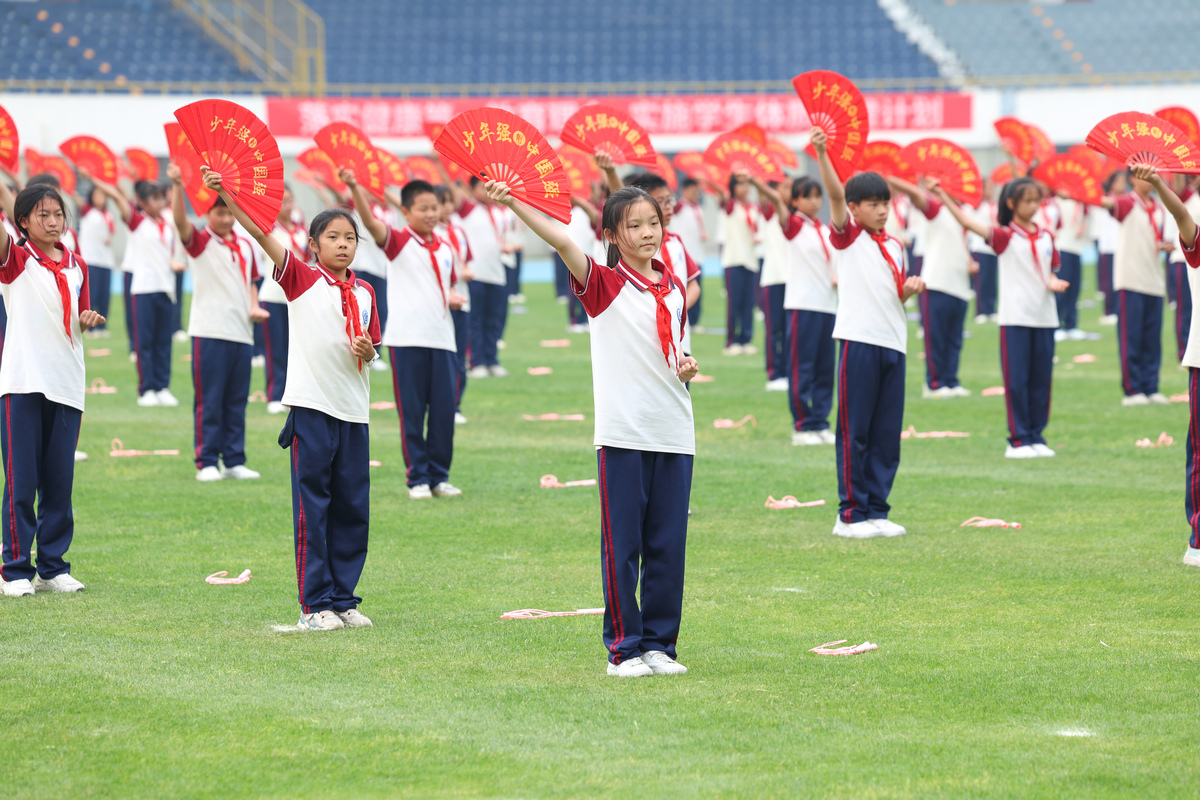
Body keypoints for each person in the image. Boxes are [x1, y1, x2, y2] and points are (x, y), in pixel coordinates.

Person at [489, 175, 698, 678]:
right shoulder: (603, 285)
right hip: (624, 433)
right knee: (623, 545)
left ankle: (660, 645)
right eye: (634, 226)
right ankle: (624, 649)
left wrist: (687, 364)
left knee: (668, 545)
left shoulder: (672, 288)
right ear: (611, 235)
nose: (648, 232)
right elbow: (561, 240)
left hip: (674, 429)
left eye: (654, 222)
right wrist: (514, 200)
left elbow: (676, 351)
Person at [205, 167, 380, 631]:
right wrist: (227, 192)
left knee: (353, 507)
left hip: (353, 412)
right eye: (333, 237)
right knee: (314, 506)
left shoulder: (365, 292)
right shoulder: (301, 279)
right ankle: (314, 604)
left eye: (351, 238)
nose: (343, 244)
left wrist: (369, 349)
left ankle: (343, 598)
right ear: (313, 245)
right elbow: (263, 232)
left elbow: (371, 344)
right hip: (312, 408)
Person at [812, 127, 925, 538]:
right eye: (872, 205)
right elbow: (836, 196)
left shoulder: (895, 245)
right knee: (854, 431)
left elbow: (894, 294)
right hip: (859, 340)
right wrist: (823, 153)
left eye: (885, 204)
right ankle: (850, 514)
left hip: (894, 342)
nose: (881, 211)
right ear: (855, 209)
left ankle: (877, 509)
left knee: (885, 434)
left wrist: (909, 291)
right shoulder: (848, 237)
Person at [0, 182, 105, 596]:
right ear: (22, 223)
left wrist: (87, 318)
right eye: (42, 215)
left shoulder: (78, 264)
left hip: (66, 382)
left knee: (59, 482)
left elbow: (77, 314)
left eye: (58, 214)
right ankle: (14, 569)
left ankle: (53, 566)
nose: (53, 221)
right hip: (24, 382)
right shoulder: (17, 260)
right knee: (21, 482)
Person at [347, 171, 465, 500]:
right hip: (407, 340)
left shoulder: (446, 247)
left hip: (443, 339)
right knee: (412, 412)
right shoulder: (399, 242)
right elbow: (370, 224)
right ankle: (418, 479)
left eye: (434, 208)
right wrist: (356, 186)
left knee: (444, 412)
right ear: (406, 211)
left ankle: (439, 476)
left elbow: (449, 283)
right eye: (422, 208)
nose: (430, 214)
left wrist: (453, 296)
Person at [936, 177, 1068, 458]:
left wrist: (1054, 281)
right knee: (1017, 380)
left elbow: (1051, 269)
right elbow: (966, 222)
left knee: (1041, 380)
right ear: (1012, 204)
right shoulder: (1005, 236)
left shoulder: (1046, 236)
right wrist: (942, 192)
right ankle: (1018, 439)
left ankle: (1036, 436)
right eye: (1027, 201)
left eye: (1036, 200)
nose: (1033, 206)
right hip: (1016, 318)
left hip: (1045, 317)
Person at [169, 164, 269, 482]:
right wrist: (177, 186)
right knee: (210, 399)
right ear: (208, 214)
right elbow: (180, 222)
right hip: (209, 330)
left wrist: (254, 305)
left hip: (242, 332)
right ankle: (207, 460)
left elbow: (253, 280)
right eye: (219, 213)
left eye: (230, 213)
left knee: (236, 400)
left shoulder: (247, 244)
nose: (225, 219)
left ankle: (234, 459)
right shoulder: (200, 242)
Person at [758, 175, 837, 446]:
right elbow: (777, 201)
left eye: (817, 196)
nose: (814, 202)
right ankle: (802, 425)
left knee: (825, 369)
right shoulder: (793, 225)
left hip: (827, 305)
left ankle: (821, 421)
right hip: (803, 305)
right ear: (795, 200)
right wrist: (758, 183)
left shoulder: (824, 228)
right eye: (807, 196)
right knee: (802, 367)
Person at [93, 177, 180, 406]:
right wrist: (93, 179)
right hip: (144, 288)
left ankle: (163, 387)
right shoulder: (138, 223)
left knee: (164, 341)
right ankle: (147, 388)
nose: (160, 202)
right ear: (142, 201)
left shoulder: (168, 225)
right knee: (146, 342)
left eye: (162, 198)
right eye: (154, 199)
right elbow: (117, 196)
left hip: (166, 288)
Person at [888, 175, 974, 398]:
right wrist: (891, 178)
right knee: (936, 336)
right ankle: (934, 383)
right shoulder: (938, 210)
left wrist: (969, 262)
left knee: (954, 338)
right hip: (936, 282)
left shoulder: (964, 214)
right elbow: (917, 195)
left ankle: (951, 380)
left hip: (960, 285)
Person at [1101, 170, 1174, 405]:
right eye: (1144, 175)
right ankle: (1132, 389)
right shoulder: (1127, 203)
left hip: (1154, 279)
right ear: (1132, 179)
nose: (1150, 180)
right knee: (1131, 336)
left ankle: (1151, 386)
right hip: (1130, 279)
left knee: (1153, 338)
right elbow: (1108, 204)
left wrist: (1166, 246)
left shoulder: (1159, 207)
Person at [456, 177, 509, 378]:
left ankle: (492, 359)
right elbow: (456, 193)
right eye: (482, 188)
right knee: (476, 320)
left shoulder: (498, 210)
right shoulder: (468, 209)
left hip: (497, 274)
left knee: (495, 320)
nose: (488, 192)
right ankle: (477, 362)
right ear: (471, 190)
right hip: (476, 274)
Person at [261, 185, 306, 415]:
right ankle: (274, 393)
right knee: (275, 349)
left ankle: (293, 395)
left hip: (297, 298)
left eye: (290, 200)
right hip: (273, 295)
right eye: (282, 201)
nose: (287, 206)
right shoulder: (268, 229)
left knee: (296, 349)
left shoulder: (302, 230)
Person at [435, 185, 474, 424]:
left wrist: (467, 270)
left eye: (449, 201)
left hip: (462, 301)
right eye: (442, 202)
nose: (447, 206)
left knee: (460, 356)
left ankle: (455, 405)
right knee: (442, 357)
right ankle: (440, 405)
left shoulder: (458, 231)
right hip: (439, 304)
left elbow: (466, 258)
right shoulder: (431, 235)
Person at [719, 173, 762, 355]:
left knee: (748, 302)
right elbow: (722, 198)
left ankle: (746, 338)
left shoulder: (753, 207)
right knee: (734, 302)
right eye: (740, 184)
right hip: (734, 259)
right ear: (733, 187)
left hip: (750, 260)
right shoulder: (730, 205)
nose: (745, 188)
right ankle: (732, 340)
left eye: (747, 184)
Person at [757, 177, 792, 390]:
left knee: (791, 330)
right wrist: (755, 180)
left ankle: (788, 371)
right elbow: (766, 198)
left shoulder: (795, 215)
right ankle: (775, 373)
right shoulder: (770, 212)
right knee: (775, 329)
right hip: (774, 278)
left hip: (794, 280)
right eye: (785, 187)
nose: (790, 191)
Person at [77, 184, 116, 336]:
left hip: (106, 259)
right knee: (91, 294)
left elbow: (111, 232)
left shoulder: (108, 214)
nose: (101, 198)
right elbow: (77, 200)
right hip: (90, 259)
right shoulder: (87, 211)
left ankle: (102, 327)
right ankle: (90, 327)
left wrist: (110, 237)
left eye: (103, 195)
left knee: (104, 295)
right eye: (98, 194)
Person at [1053, 192, 1090, 341]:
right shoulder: (1056, 201)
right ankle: (1057, 325)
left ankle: (1071, 324)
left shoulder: (1082, 203)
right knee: (1062, 287)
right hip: (1062, 246)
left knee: (1074, 288)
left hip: (1077, 248)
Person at [673, 178, 708, 328]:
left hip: (697, 255)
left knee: (697, 288)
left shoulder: (697, 208)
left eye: (697, 191)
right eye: (692, 191)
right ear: (684, 191)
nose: (696, 194)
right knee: (683, 289)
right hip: (684, 255)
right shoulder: (679, 206)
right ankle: (683, 317)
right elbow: (672, 204)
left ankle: (694, 321)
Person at [1093, 171, 1125, 325]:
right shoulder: (1105, 199)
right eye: (1118, 181)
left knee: (1121, 280)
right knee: (1108, 280)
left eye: (1123, 181)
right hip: (1108, 246)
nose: (1122, 185)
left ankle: (1118, 310)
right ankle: (1108, 311)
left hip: (1122, 246)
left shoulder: (1126, 198)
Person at [969, 182, 999, 323]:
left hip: (993, 248)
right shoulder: (977, 205)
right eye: (989, 187)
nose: (992, 190)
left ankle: (990, 308)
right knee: (981, 280)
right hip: (980, 246)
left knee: (991, 280)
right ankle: (981, 310)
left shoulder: (994, 205)